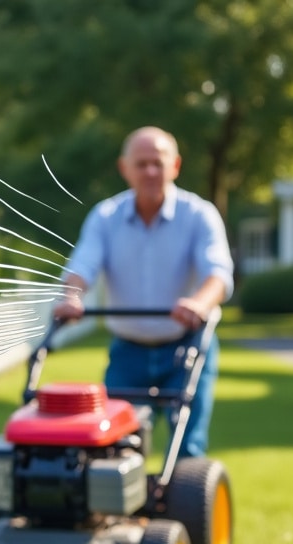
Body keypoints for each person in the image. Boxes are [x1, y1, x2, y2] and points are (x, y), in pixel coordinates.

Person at [54, 126, 235, 457]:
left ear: (175, 166)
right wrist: (72, 297)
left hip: (188, 348)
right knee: (116, 445)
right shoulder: (105, 217)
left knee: (187, 448)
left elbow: (218, 274)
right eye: (141, 164)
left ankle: (183, 504)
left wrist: (199, 302)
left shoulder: (199, 215)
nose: (150, 171)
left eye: (158, 162)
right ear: (125, 169)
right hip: (127, 354)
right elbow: (83, 265)